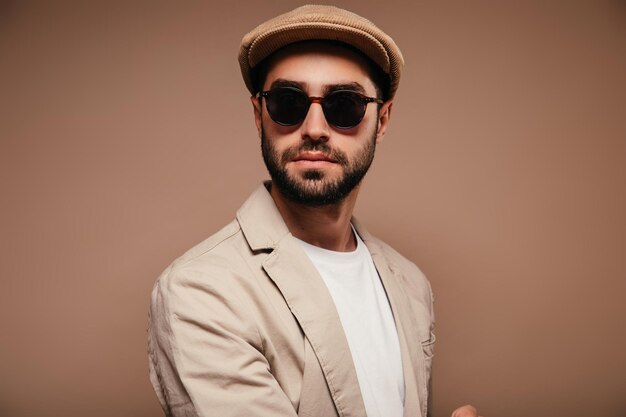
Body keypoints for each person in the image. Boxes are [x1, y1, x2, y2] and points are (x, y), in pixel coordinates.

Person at [148, 5, 481, 417]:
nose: (315, 128)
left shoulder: (411, 285)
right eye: (289, 103)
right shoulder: (200, 292)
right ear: (258, 115)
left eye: (345, 106)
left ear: (382, 120)